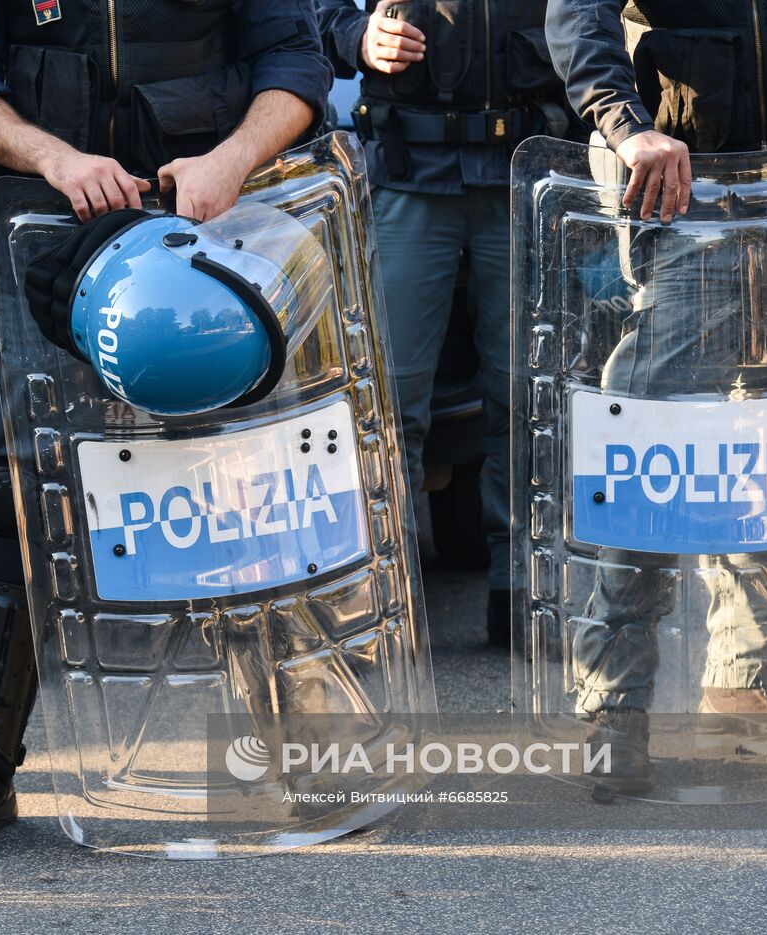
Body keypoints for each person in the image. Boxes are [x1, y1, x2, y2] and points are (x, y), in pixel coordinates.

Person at [0, 0, 331, 853]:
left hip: (207, 241)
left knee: (246, 484)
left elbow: (296, 66)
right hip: (43, 241)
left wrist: (232, 157)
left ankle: (298, 745)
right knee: (11, 495)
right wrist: (55, 157)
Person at [546, 0, 767, 792]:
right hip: (686, 190)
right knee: (653, 435)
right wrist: (624, 121)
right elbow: (578, 12)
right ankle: (616, 703)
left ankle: (746, 680)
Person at [316, 0, 572, 647]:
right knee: (388, 403)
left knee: (524, 396)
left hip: (520, 169)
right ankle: (384, 600)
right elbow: (308, 12)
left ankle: (523, 592)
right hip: (410, 172)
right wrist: (357, 36)